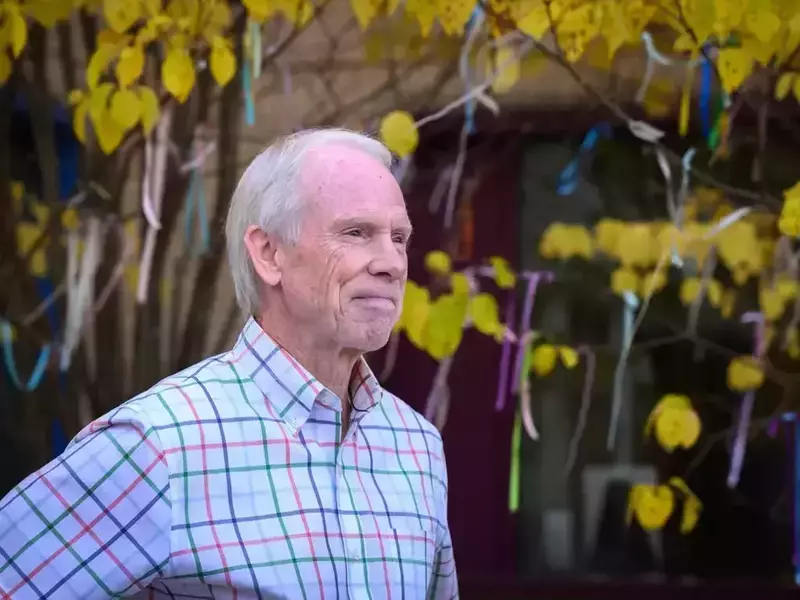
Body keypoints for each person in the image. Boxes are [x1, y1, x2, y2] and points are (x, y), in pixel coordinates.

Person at [0, 129, 458, 599]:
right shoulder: (159, 444)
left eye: (398, 238)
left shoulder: (416, 445)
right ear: (268, 253)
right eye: (356, 232)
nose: (392, 263)